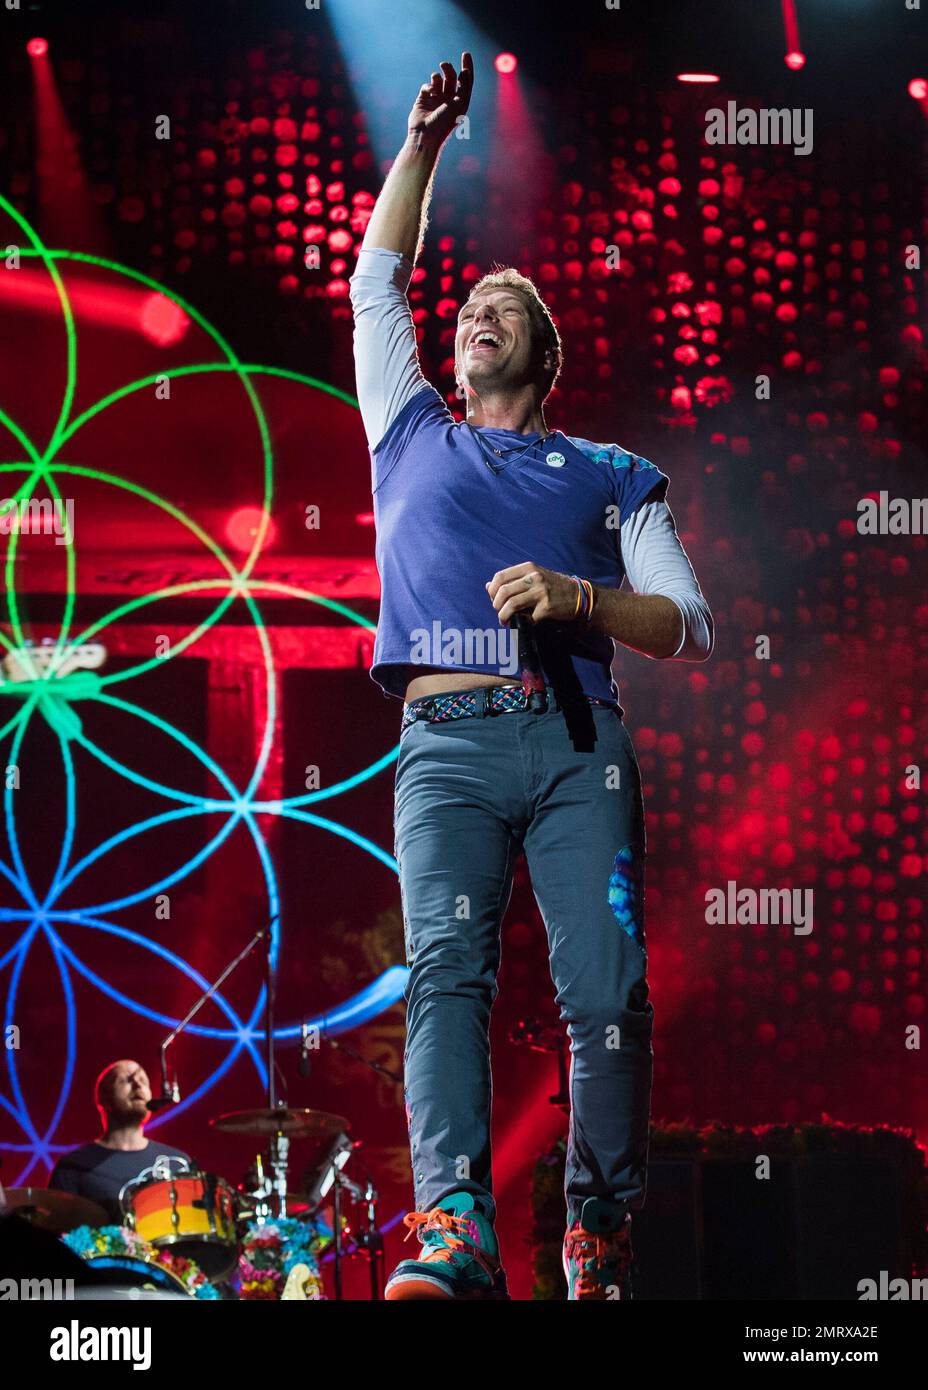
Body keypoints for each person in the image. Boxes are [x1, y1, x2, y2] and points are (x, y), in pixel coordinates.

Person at [349, 52, 713, 1301]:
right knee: (445, 974)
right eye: (465, 313)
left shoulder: (609, 471)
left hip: (575, 744)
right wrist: (422, 147)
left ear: (543, 352)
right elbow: (375, 286)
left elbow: (685, 623)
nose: (472, 315)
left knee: (605, 989)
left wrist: (580, 601)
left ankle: (596, 1236)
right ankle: (452, 1230)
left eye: (501, 306)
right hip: (441, 744)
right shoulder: (407, 430)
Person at [48, 1059, 191, 1223]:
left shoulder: (178, 1163)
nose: (137, 1085)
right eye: (125, 1080)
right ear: (104, 1099)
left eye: (143, 1081)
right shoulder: (73, 1166)